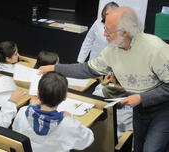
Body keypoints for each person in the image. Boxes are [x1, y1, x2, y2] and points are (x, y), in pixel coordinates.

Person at [39, 7, 169, 152]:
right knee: (138, 147)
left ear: (124, 32)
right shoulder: (112, 50)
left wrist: (142, 98)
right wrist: (55, 68)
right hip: (139, 110)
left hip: (162, 110)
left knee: (152, 149)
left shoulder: (155, 49)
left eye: (108, 31)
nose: (104, 34)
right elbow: (88, 69)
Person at [12, 71, 94, 152]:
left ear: (38, 94)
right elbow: (87, 140)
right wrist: (69, 118)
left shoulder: (23, 112)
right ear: (65, 97)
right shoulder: (68, 124)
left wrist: (32, 107)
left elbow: (15, 130)